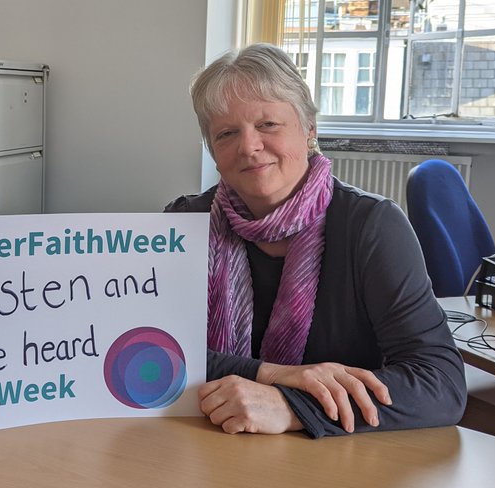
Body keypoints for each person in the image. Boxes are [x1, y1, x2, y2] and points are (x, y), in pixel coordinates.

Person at [166, 43, 466, 438]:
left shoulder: (371, 227)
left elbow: (439, 383)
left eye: (268, 124)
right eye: (226, 133)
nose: (249, 146)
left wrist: (293, 407)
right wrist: (276, 375)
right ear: (213, 151)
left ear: (309, 129)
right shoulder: (184, 224)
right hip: (203, 443)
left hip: (336, 463)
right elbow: (151, 350)